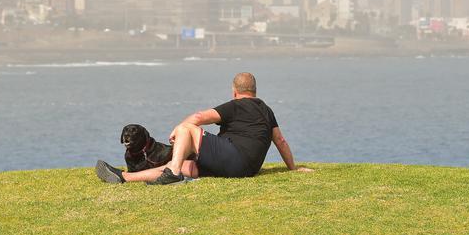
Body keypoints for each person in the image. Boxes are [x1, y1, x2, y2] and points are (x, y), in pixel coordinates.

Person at [96, 72, 311, 185]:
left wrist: (178, 129)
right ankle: (124, 177)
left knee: (187, 129)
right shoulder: (266, 110)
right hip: (246, 169)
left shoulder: (235, 105)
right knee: (184, 166)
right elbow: (280, 141)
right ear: (254, 90)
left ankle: (172, 174)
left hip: (234, 158)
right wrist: (293, 168)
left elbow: (198, 118)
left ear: (235, 91)